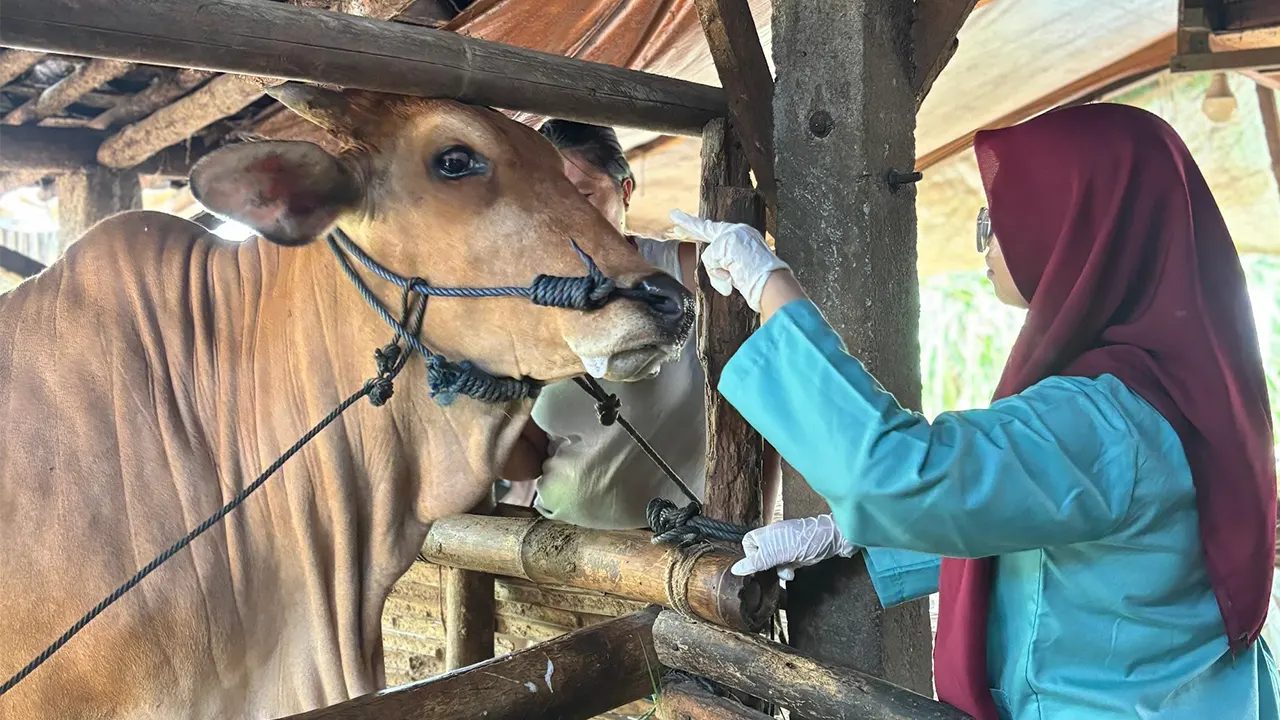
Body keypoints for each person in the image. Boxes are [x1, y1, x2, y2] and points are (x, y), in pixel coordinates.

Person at [671, 103, 1279, 719]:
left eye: (999, 217)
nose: (985, 242)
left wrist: (770, 287)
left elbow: (898, 475)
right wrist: (848, 535)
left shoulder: (1104, 420)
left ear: (1072, 224)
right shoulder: (1187, 389)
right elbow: (1061, 527)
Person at [499, 120, 707, 529]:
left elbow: (760, 419)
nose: (564, 220)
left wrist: (748, 523)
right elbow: (528, 459)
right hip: (560, 545)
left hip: (682, 548)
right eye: (545, 202)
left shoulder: (687, 271)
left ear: (625, 191)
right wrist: (470, 411)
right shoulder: (527, 300)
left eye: (582, 197)